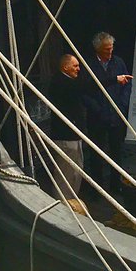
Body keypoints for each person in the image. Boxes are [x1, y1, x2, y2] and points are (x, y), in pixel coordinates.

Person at [84, 32, 132, 194]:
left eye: (111, 49)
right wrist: (97, 109)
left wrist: (123, 104)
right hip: (97, 116)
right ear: (97, 49)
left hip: (116, 114)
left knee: (117, 152)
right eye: (105, 50)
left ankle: (115, 185)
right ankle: (97, 187)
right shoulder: (89, 65)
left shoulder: (118, 62)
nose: (109, 53)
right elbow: (86, 91)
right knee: (96, 153)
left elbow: (127, 85)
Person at [47, 53, 90, 199]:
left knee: (76, 173)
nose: (78, 69)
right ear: (65, 67)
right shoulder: (61, 82)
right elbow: (87, 86)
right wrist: (114, 80)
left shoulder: (68, 82)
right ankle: (63, 204)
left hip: (74, 136)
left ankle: (71, 202)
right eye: (75, 66)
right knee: (65, 174)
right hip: (65, 137)